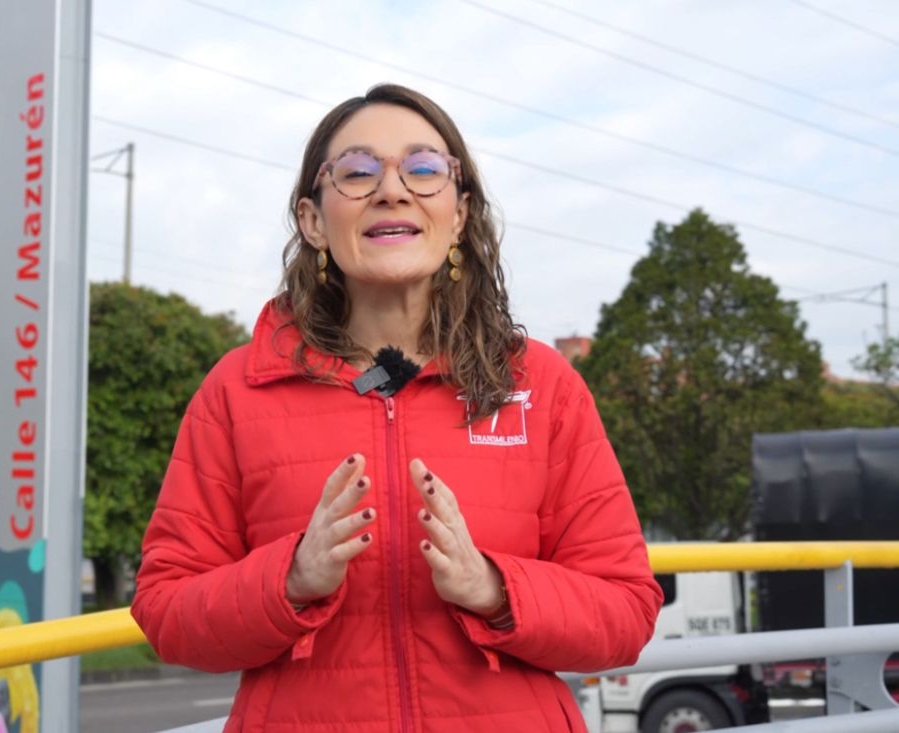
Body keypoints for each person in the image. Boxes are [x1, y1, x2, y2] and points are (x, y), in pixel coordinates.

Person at [131, 83, 662, 733]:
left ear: (460, 213)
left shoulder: (541, 384)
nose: (392, 188)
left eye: (424, 168)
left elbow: (627, 611)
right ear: (313, 219)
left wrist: (493, 588)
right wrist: (290, 579)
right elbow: (165, 613)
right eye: (357, 171)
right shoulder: (236, 391)